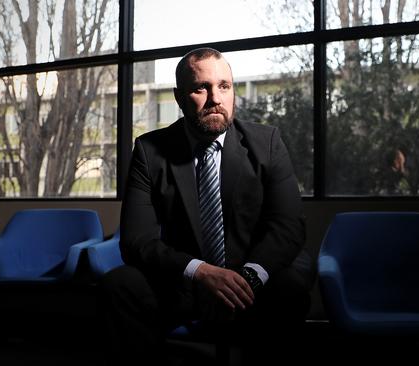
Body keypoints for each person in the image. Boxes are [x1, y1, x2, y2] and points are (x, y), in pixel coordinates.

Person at [100, 47, 313, 364]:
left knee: (291, 285)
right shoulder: (150, 151)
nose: (216, 98)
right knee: (120, 284)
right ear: (179, 97)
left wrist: (247, 278)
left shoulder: (267, 142)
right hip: (185, 283)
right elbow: (136, 241)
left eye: (224, 86)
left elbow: (288, 226)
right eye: (201, 88)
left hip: (251, 277)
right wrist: (201, 272)